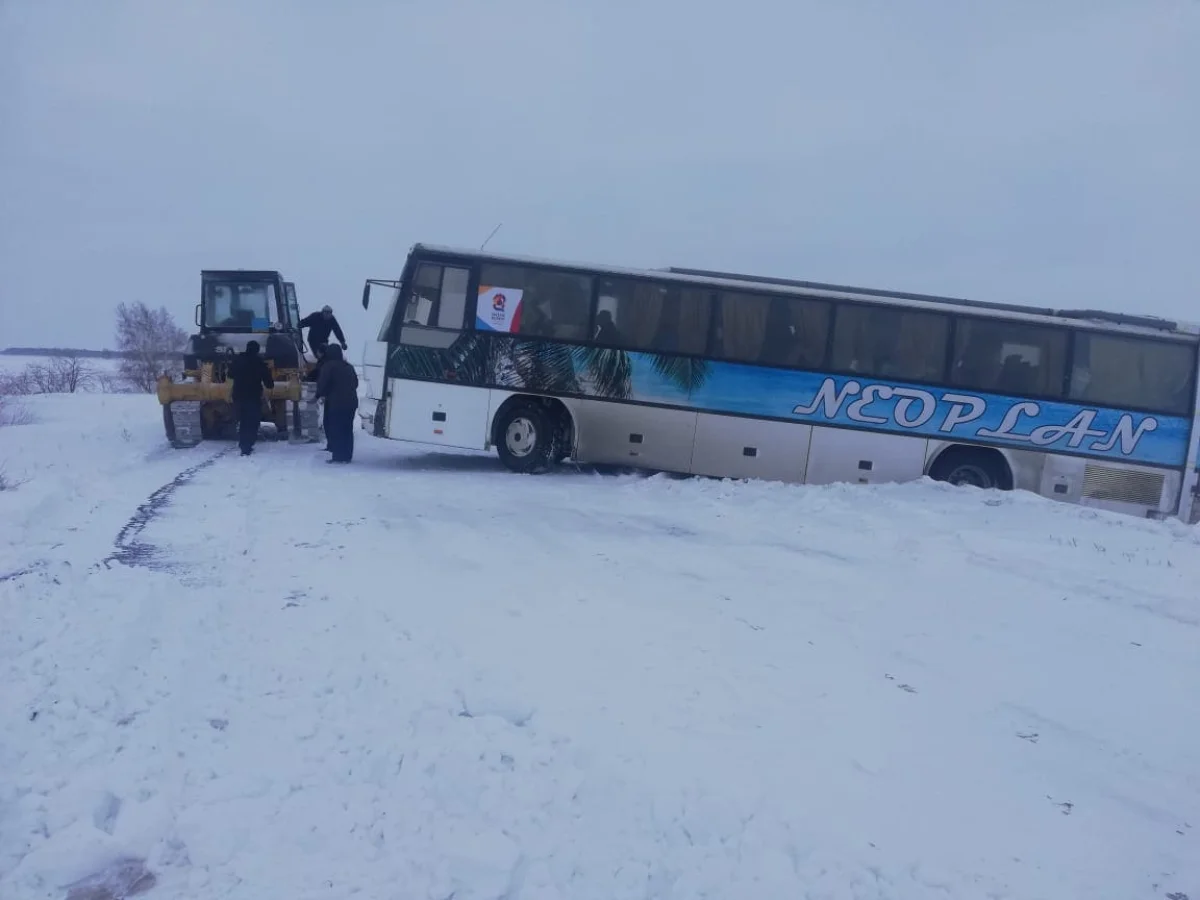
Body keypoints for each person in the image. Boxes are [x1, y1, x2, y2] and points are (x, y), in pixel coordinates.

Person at [227, 340, 274, 456]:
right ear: (257, 350)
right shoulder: (259, 363)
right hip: (253, 396)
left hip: (238, 396)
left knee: (243, 421)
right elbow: (269, 383)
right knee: (252, 422)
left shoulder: (237, 360)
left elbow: (230, 375)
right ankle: (248, 446)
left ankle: (243, 444)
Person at [315, 344, 359, 463]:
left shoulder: (328, 366)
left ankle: (338, 456)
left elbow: (322, 385)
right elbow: (356, 383)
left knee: (336, 429)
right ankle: (347, 455)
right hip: (351, 402)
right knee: (347, 429)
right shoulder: (348, 366)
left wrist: (317, 395)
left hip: (337, 403)